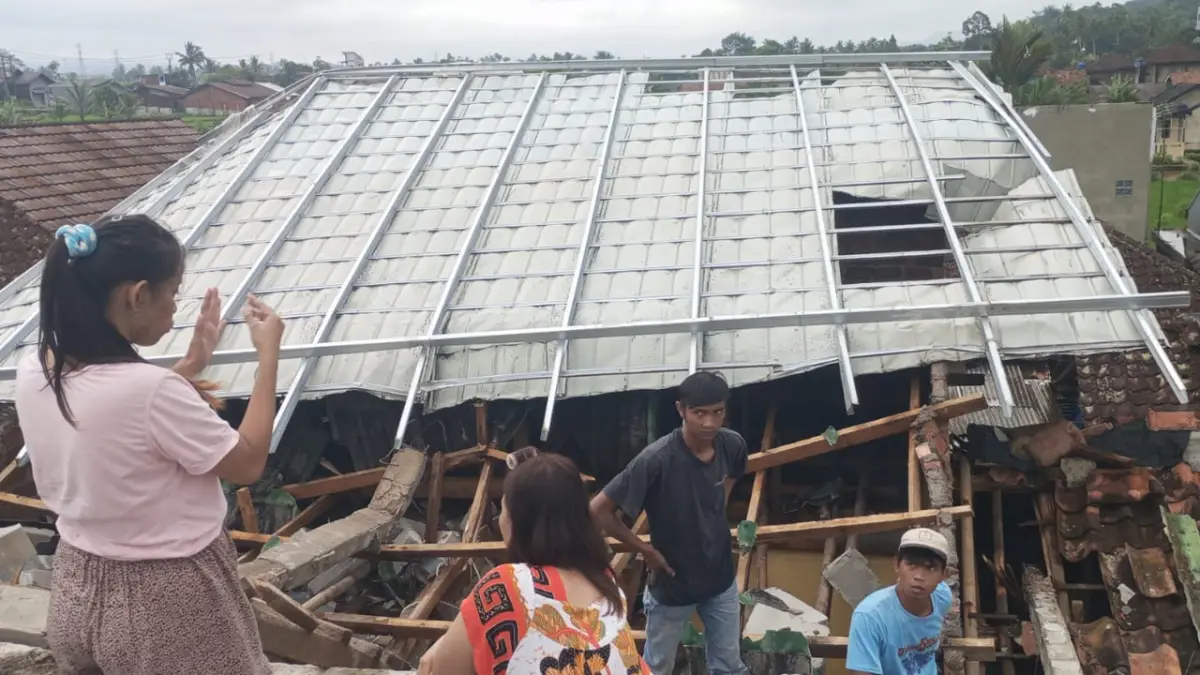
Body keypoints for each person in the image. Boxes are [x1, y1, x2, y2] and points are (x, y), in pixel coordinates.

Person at [15, 216, 285, 675]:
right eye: (173, 292)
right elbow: (248, 461)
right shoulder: (152, 390)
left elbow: (115, 418)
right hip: (167, 599)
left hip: (78, 581)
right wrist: (268, 356)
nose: (176, 308)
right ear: (137, 296)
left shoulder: (38, 367)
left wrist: (194, 362)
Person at [418, 447, 649, 675]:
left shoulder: (509, 586)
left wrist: (438, 649)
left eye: (504, 507)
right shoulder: (604, 582)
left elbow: (439, 669)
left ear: (520, 520)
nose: (500, 519)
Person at [589, 371, 749, 675]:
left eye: (718, 412)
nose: (709, 423)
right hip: (672, 584)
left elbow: (732, 475)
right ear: (681, 410)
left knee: (729, 666)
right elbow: (598, 510)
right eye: (699, 413)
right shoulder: (656, 460)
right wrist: (645, 550)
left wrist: (715, 509)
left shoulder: (732, 444)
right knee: (657, 668)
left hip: (720, 580)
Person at [846, 528, 953, 675]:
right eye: (911, 564)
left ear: (944, 575)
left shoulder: (942, 597)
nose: (919, 576)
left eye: (931, 567)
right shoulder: (870, 616)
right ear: (897, 565)